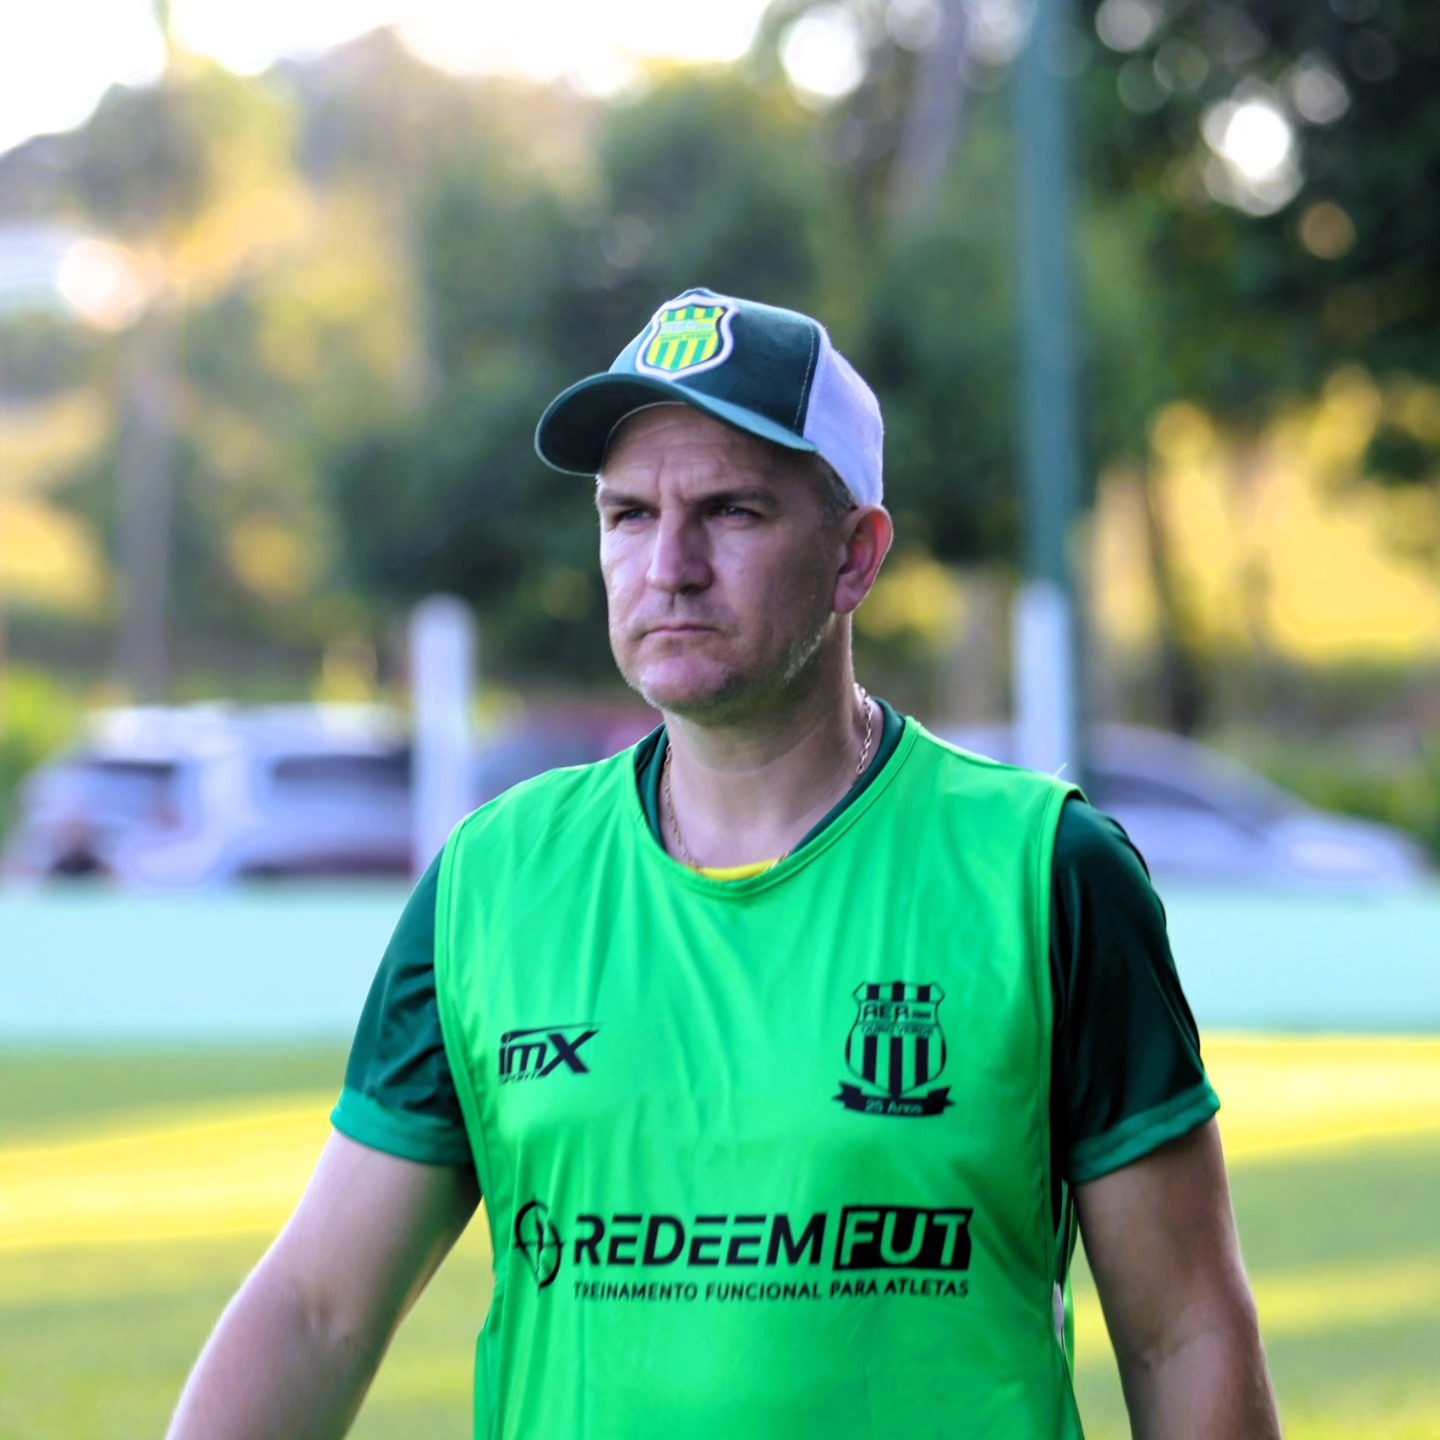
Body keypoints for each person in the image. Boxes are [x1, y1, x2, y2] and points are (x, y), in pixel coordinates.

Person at [167, 288, 1280, 1439]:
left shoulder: (1043, 872)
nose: (671, 564)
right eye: (628, 515)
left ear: (855, 556)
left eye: (732, 511)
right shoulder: (492, 883)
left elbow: (1184, 1330)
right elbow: (319, 1310)